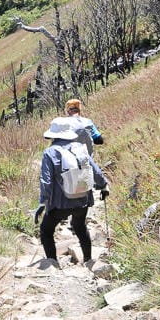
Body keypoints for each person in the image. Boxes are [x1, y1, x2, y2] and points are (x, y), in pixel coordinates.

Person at [34, 100, 109, 268]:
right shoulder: (80, 147)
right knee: (80, 226)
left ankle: (53, 264)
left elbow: (46, 181)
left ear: (53, 135)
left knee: (46, 230)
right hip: (82, 199)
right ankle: (88, 261)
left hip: (59, 203)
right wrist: (104, 186)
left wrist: (42, 203)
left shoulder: (50, 153)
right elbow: (95, 171)